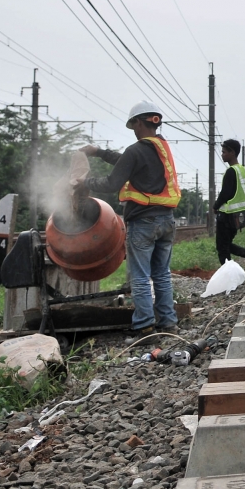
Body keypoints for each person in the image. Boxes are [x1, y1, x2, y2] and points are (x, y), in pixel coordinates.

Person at [78, 100, 181, 339]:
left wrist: (84, 182)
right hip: (166, 220)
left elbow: (113, 182)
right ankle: (168, 323)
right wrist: (99, 152)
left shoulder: (137, 150)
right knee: (162, 274)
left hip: (143, 222)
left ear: (138, 122)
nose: (133, 130)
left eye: (133, 125)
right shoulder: (162, 148)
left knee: (141, 277)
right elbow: (125, 161)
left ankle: (144, 326)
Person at [213, 139, 245, 272]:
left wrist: (215, 206)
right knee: (224, 245)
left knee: (222, 249)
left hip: (228, 215)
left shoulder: (231, 171)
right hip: (240, 214)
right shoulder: (243, 170)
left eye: (224, 152)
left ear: (232, 153)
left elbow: (226, 193)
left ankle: (230, 275)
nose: (222, 154)